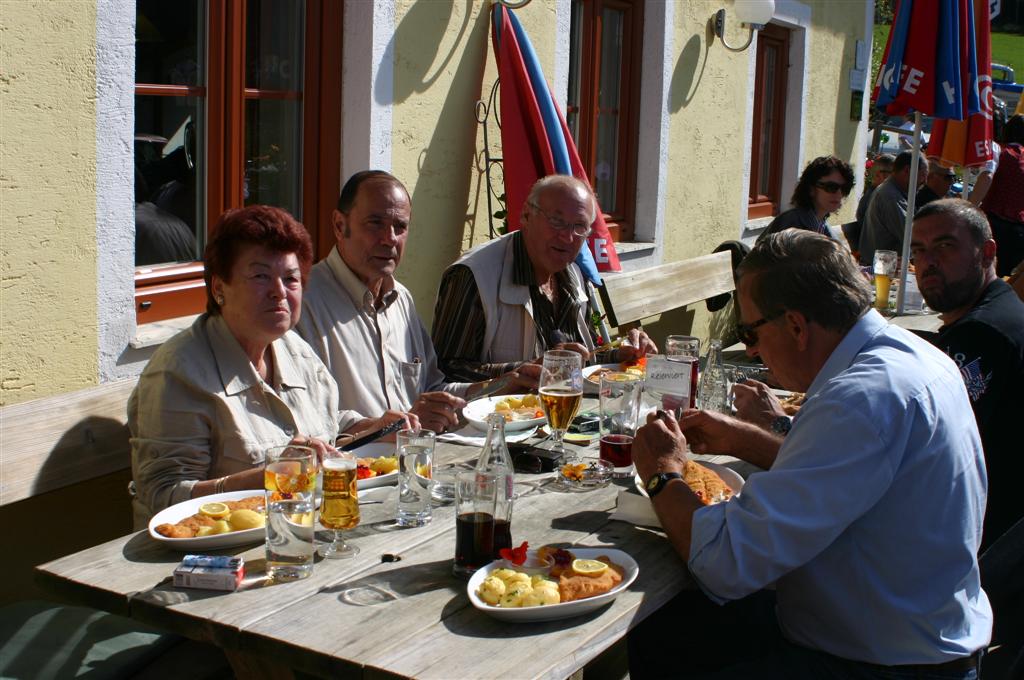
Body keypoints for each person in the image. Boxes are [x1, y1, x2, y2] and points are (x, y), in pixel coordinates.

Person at [628, 229, 991, 678]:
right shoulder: (912, 356)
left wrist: (663, 473)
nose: (754, 350)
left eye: (750, 332)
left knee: (661, 633)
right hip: (913, 628)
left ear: (797, 326)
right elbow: (847, 474)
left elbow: (724, 561)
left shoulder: (858, 399)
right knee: (668, 632)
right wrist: (741, 439)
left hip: (882, 662)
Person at [128, 205, 404, 527]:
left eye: (291, 279)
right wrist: (269, 477)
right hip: (215, 559)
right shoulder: (179, 374)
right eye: (260, 276)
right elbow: (162, 496)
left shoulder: (292, 348)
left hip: (304, 530)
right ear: (219, 288)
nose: (279, 292)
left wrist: (376, 428)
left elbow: (326, 423)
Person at [297, 171, 534, 434]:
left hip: (417, 464)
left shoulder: (401, 300)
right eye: (375, 223)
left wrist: (501, 386)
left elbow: (433, 391)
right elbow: (302, 417)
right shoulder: (302, 302)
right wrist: (383, 428)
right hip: (350, 471)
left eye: (400, 227)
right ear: (340, 226)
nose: (390, 239)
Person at [432, 175, 656, 382]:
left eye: (579, 226)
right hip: (501, 420)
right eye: (556, 221)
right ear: (526, 216)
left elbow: (589, 355)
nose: (567, 237)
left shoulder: (576, 274)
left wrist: (624, 353)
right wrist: (528, 369)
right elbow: (445, 371)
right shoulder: (472, 276)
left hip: (568, 413)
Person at [910, 198, 1024, 550]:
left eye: (945, 246)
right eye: (919, 250)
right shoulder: (999, 309)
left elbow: (921, 447)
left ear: (986, 252)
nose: (928, 262)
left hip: (982, 547)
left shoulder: (983, 334)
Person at [758, 155, 854, 243]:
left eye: (845, 188)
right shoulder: (790, 224)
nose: (839, 193)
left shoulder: (823, 226)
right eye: (831, 187)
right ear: (811, 189)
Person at [859, 150, 928, 265]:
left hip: (885, 266)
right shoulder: (890, 196)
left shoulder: (893, 192)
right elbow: (912, 236)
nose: (925, 182)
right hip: (880, 270)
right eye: (923, 176)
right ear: (907, 171)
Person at [980, 114, 1024, 277]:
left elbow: (987, 178)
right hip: (1019, 231)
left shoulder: (999, 150)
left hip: (995, 225)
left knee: (986, 275)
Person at [842, 153, 893, 257]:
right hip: (875, 258)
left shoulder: (873, 194)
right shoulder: (879, 197)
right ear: (880, 174)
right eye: (894, 173)